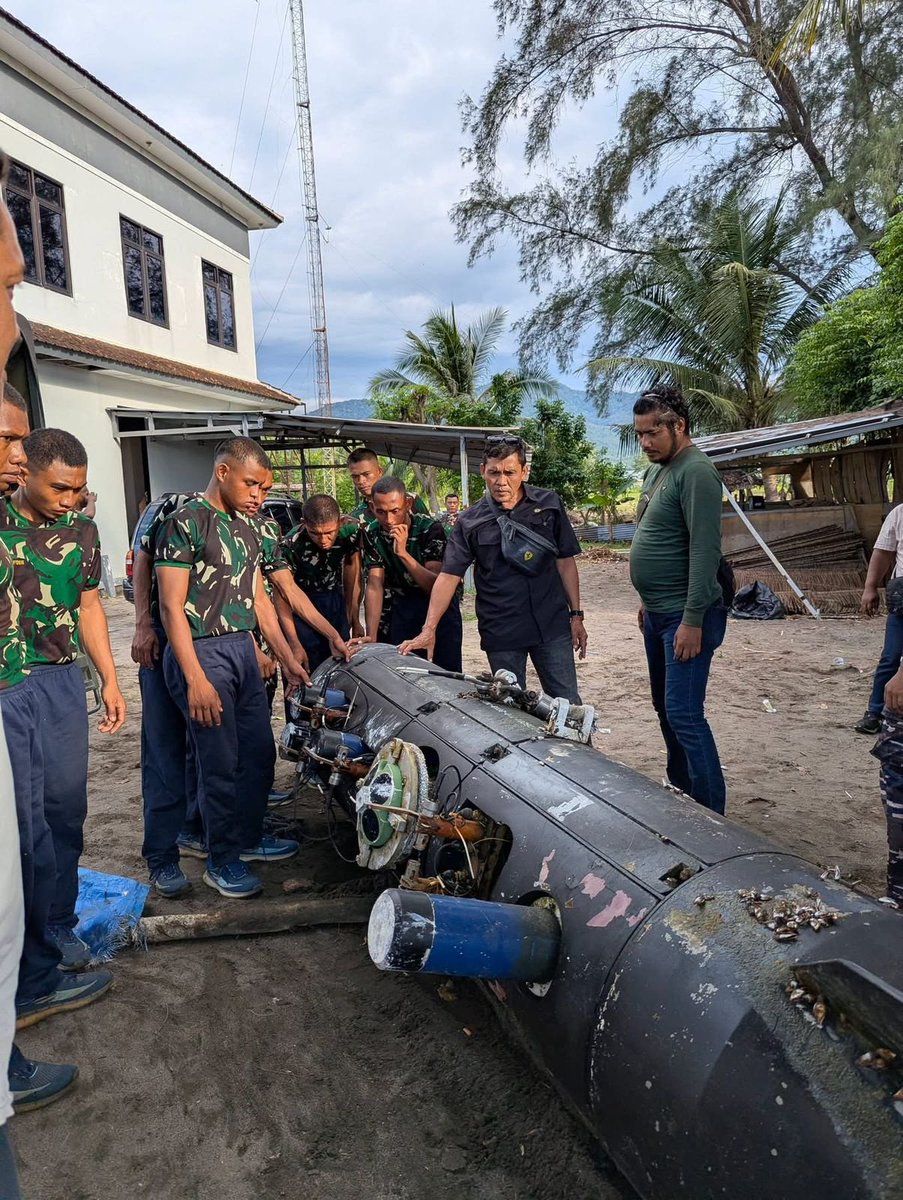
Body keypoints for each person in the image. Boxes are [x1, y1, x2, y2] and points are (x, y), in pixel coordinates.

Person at [155, 438, 308, 899]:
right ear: (222, 472)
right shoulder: (184, 522)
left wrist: (285, 656)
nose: (259, 494)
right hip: (201, 652)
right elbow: (170, 606)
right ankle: (221, 860)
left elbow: (260, 601)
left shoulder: (248, 528)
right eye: (252, 484)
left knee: (259, 755)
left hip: (243, 650)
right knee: (218, 764)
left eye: (264, 487)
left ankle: (248, 836)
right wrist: (195, 677)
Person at [0, 428, 127, 970]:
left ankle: (57, 922)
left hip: (58, 682)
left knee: (64, 809)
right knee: (18, 823)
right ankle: (21, 943)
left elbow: (91, 608)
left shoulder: (82, 530)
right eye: (59, 489)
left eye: (78, 490)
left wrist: (110, 679)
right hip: (7, 684)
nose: (69, 500)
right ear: (23, 472)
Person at [399, 436, 586, 698]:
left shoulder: (549, 504)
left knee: (567, 703)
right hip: (501, 630)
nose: (501, 481)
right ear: (483, 471)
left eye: (510, 472)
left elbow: (565, 561)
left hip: (551, 625)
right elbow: (449, 575)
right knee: (510, 707)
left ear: (524, 471)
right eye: (494, 473)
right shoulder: (470, 521)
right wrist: (428, 629)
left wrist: (576, 615)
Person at [629, 384, 728, 815]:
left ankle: (712, 817)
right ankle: (686, 797)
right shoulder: (660, 469)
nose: (646, 442)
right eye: (640, 434)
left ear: (679, 426)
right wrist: (648, 601)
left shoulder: (697, 471)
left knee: (685, 714)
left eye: (653, 433)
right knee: (666, 710)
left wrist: (692, 620)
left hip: (686, 616)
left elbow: (705, 549)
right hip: (659, 612)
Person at [362, 476, 462, 671]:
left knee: (446, 675)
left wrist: (403, 554)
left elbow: (434, 585)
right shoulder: (372, 533)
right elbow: (375, 584)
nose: (389, 520)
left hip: (438, 609)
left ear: (407, 503)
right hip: (402, 610)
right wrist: (371, 637)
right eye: (381, 512)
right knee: (405, 674)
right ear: (372, 507)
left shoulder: (430, 529)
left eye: (395, 511)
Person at [277, 494, 363, 674]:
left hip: (335, 600)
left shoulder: (351, 531)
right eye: (315, 533)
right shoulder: (291, 544)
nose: (323, 540)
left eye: (329, 533)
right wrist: (293, 642)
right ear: (303, 523)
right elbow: (283, 595)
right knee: (307, 669)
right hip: (302, 608)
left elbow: (351, 565)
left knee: (343, 663)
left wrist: (352, 616)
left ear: (340, 522)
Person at [855, 506, 903, 735]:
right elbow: (883, 552)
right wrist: (870, 587)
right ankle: (875, 712)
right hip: (902, 599)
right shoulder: (900, 514)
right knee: (891, 656)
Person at [346, 448, 429, 520]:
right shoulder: (356, 516)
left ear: (380, 471)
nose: (361, 481)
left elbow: (432, 530)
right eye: (355, 476)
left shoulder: (410, 501)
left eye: (366, 474)